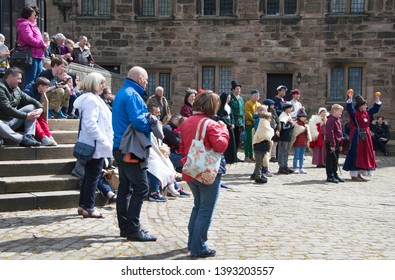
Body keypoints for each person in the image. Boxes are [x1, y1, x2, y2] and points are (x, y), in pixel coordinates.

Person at [179, 90, 229, 258]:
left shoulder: (186, 122)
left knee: (198, 206)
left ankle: (192, 241)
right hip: (207, 171)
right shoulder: (212, 124)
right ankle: (198, 246)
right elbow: (221, 146)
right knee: (206, 209)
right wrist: (224, 130)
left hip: (191, 168)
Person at [112, 66, 158, 242]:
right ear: (139, 79)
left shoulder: (122, 92)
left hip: (119, 147)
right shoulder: (132, 94)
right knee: (141, 187)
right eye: (146, 80)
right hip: (130, 148)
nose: (146, 83)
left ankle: (126, 227)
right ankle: (133, 229)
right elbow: (139, 122)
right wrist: (152, 124)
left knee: (125, 188)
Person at [73, 72, 113, 218]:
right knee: (93, 176)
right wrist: (104, 140)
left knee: (89, 175)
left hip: (94, 144)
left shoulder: (92, 99)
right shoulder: (92, 101)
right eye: (101, 83)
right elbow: (90, 124)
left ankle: (83, 205)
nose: (104, 86)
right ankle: (89, 207)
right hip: (95, 145)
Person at [343, 93, 382, 181]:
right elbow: (349, 109)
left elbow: (375, 109)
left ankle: (360, 173)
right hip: (357, 135)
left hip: (366, 135)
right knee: (356, 153)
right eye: (364, 105)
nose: (365, 106)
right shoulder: (354, 113)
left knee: (365, 153)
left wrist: (377, 101)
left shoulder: (367, 112)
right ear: (359, 106)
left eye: (366, 105)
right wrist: (350, 99)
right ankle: (354, 174)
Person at [0, 67, 43, 147]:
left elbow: (30, 99)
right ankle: (22, 139)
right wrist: (26, 116)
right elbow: (6, 108)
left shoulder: (16, 89)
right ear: (10, 77)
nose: (20, 81)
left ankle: (29, 136)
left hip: (13, 120)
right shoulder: (1, 88)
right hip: (2, 122)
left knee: (32, 107)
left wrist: (40, 108)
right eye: (18, 78)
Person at [16, 5, 47, 87]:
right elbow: (28, 39)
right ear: (28, 15)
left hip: (38, 55)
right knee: (30, 79)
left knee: (37, 80)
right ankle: (27, 98)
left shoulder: (33, 25)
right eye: (34, 15)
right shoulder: (25, 24)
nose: (36, 17)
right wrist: (42, 44)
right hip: (31, 55)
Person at [24, 77, 57, 146]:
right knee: (36, 121)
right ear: (41, 86)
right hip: (26, 114)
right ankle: (43, 137)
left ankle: (49, 136)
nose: (47, 89)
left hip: (35, 111)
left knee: (42, 121)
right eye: (46, 87)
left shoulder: (39, 91)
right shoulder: (28, 91)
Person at [252, 109, 274, 184]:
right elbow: (266, 134)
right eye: (269, 118)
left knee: (259, 161)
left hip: (262, 145)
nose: (270, 119)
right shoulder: (264, 124)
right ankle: (258, 177)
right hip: (260, 145)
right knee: (259, 162)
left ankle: (255, 174)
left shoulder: (264, 123)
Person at [325, 104, 344, 183]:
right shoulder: (331, 120)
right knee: (330, 160)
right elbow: (330, 132)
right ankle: (330, 176)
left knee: (335, 160)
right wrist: (333, 144)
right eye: (340, 111)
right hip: (331, 142)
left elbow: (340, 132)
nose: (341, 113)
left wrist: (341, 143)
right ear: (334, 111)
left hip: (337, 142)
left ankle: (335, 174)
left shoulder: (338, 120)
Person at [217, 92, 237, 164]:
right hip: (225, 125)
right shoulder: (220, 107)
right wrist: (228, 125)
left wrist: (232, 123)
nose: (229, 99)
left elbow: (232, 116)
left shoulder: (228, 106)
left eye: (229, 98)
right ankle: (226, 158)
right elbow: (221, 117)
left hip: (230, 125)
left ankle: (232, 158)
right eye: (228, 98)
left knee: (232, 142)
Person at [290, 108, 311, 174]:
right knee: (296, 156)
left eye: (305, 117)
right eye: (302, 117)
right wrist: (302, 129)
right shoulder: (296, 124)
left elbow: (308, 134)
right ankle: (295, 167)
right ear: (299, 117)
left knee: (302, 156)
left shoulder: (305, 125)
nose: (304, 118)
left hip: (303, 142)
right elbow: (295, 133)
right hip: (298, 142)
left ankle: (301, 167)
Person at [229, 80, 244, 162]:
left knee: (238, 139)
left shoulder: (241, 99)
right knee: (232, 139)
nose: (238, 90)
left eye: (239, 89)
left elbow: (243, 111)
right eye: (237, 89)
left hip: (240, 122)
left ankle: (235, 155)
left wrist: (243, 122)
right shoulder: (230, 98)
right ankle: (231, 156)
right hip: (233, 121)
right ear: (233, 90)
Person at [277, 103, 295, 174]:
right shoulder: (283, 116)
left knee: (287, 152)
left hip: (288, 136)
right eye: (289, 108)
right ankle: (281, 167)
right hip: (283, 137)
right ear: (286, 109)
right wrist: (290, 123)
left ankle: (285, 165)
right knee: (282, 152)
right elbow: (283, 127)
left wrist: (292, 124)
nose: (290, 109)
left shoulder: (288, 115)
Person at [244, 89, 261, 162]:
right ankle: (247, 156)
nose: (257, 96)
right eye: (255, 95)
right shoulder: (248, 103)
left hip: (256, 124)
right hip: (250, 124)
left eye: (258, 95)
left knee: (253, 141)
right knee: (248, 140)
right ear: (252, 96)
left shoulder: (259, 104)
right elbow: (248, 113)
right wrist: (254, 120)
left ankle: (251, 155)